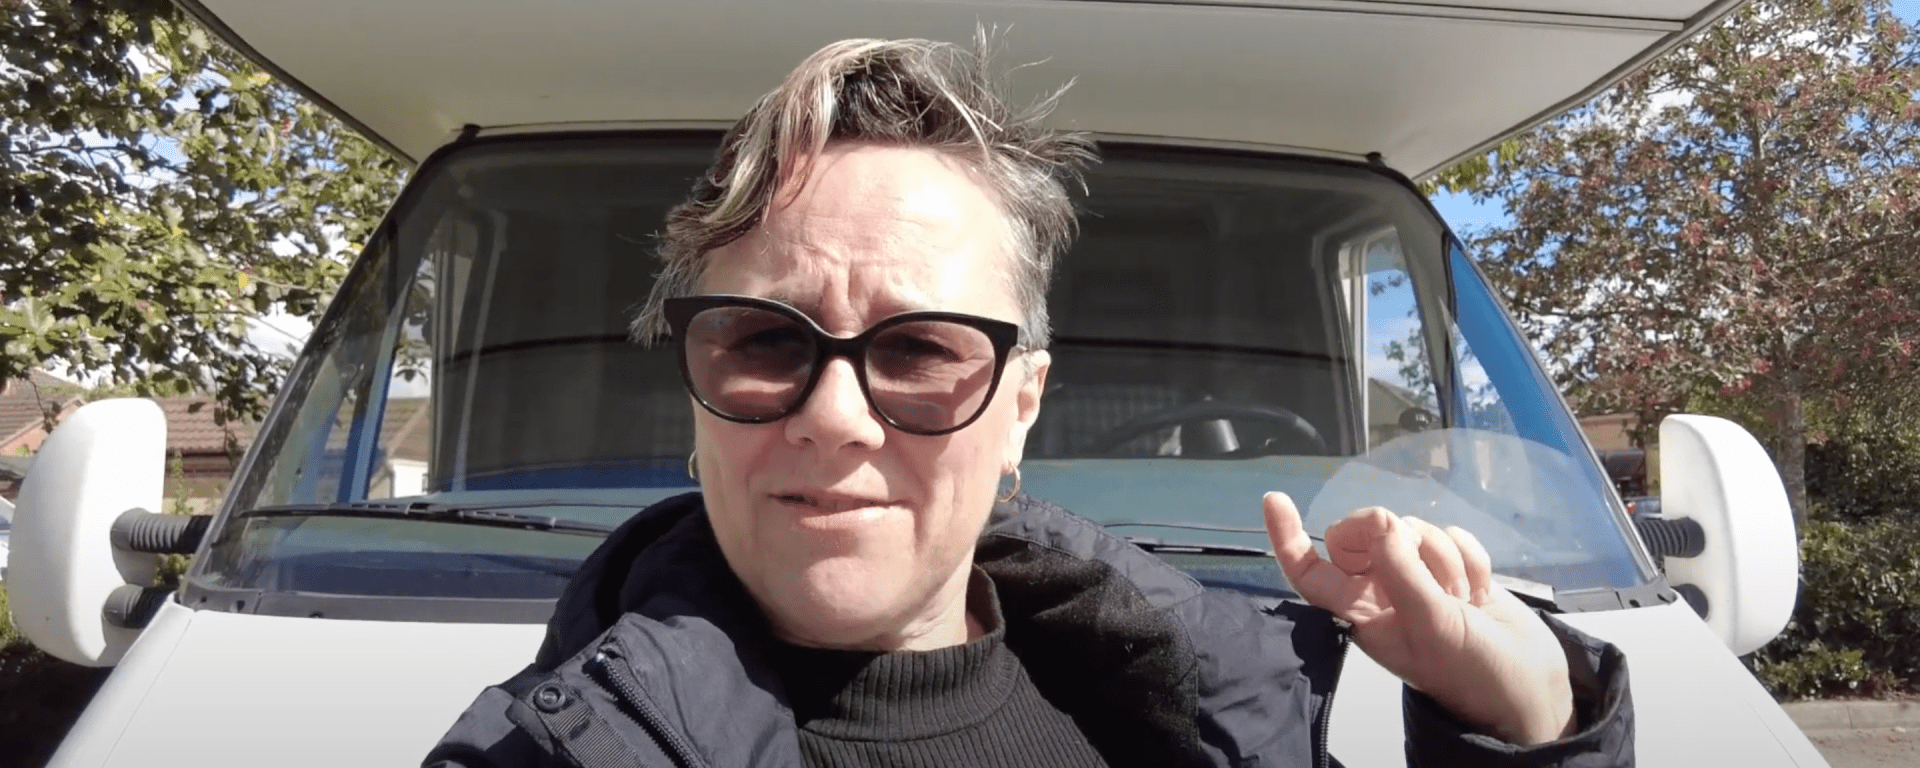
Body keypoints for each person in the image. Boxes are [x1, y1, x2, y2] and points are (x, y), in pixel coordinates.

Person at [426, 35, 1631, 768]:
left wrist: (1526, 720)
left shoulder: (1221, 705)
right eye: (764, 342)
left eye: (921, 350)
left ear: (1023, 405)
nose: (834, 416)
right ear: (698, 393)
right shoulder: (540, 752)